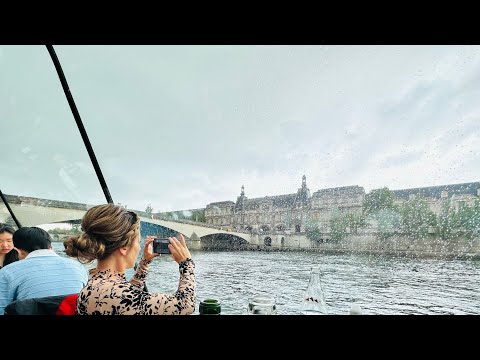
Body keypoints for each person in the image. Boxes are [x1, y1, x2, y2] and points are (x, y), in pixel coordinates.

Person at [64, 203, 196, 315]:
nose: (139, 248)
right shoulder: (118, 295)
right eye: (138, 242)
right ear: (124, 247)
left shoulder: (93, 284)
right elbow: (185, 304)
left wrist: (145, 262)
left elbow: (128, 297)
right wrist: (186, 263)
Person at [0, 226, 88, 314]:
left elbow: (1, 309)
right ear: (50, 247)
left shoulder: (8, 272)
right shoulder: (78, 267)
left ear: (18, 251)